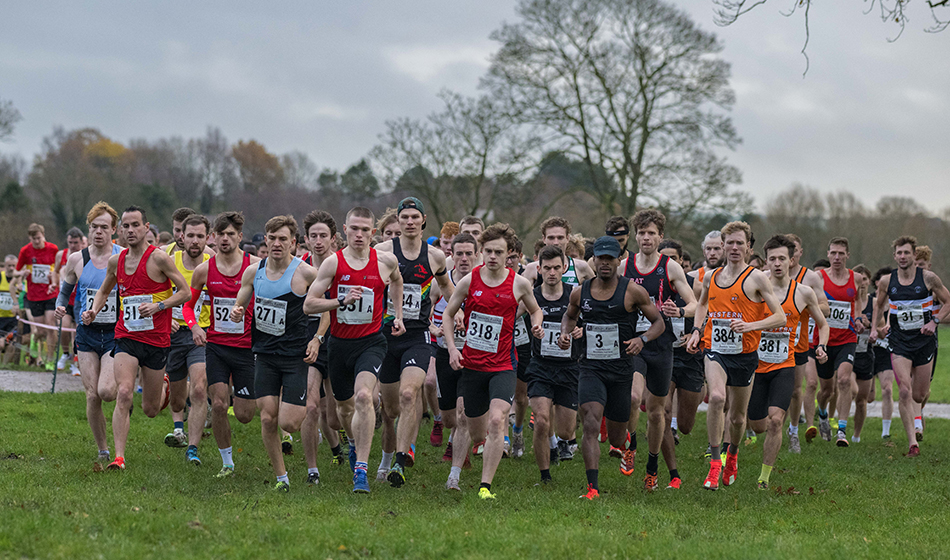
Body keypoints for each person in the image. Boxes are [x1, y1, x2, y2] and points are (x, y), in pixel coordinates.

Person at [84, 206, 192, 470]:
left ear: (146, 227)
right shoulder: (116, 261)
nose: (130, 230)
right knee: (123, 392)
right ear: (120, 230)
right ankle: (119, 457)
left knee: (151, 409)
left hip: (156, 340)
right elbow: (103, 291)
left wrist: (159, 306)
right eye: (126, 226)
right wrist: (94, 310)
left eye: (135, 225)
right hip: (126, 336)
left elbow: (185, 292)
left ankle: (164, 385)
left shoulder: (159, 259)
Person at [303, 207, 403, 494]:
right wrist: (340, 301)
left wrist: (397, 314)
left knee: (363, 397)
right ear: (345, 230)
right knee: (343, 410)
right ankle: (353, 443)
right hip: (339, 344)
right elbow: (309, 304)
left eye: (365, 230)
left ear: (373, 233)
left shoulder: (385, 261)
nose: (359, 235)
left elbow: (397, 280)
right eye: (354, 229)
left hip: (371, 343)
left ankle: (361, 469)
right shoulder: (333, 263)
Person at [442, 223, 544, 499]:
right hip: (473, 365)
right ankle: (460, 468)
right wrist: (452, 349)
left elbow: (536, 310)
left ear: (509, 253)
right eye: (488, 251)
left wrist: (536, 324)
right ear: (481, 252)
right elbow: (448, 315)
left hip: (503, 365)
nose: (493, 256)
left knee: (498, 420)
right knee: (475, 430)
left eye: (499, 252)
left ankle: (485, 486)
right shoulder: (469, 281)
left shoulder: (518, 283)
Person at [559, 236, 664, 500]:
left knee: (616, 439)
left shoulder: (633, 291)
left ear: (619, 260)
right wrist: (564, 333)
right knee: (591, 422)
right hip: (590, 368)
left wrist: (642, 339)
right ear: (593, 260)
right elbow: (569, 316)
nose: (604, 263)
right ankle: (592, 488)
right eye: (600, 258)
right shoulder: (580, 292)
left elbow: (658, 323)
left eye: (610, 258)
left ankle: (626, 442)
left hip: (620, 370)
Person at [686, 221, 785, 490]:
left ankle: (732, 454)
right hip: (715, 349)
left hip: (745, 354)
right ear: (722, 245)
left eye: (740, 243)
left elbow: (779, 316)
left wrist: (750, 326)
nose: (734, 247)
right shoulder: (711, 277)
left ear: (748, 247)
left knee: (739, 418)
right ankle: (714, 462)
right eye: (729, 242)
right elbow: (702, 304)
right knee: (717, 397)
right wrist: (696, 330)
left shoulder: (757, 278)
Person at [230, 215, 318, 491]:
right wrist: (236, 311)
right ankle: (282, 478)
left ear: (293, 242)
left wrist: (317, 339)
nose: (277, 243)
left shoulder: (306, 272)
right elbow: (240, 302)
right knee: (267, 418)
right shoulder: (253, 271)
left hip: (294, 357)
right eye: (272, 238)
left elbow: (325, 307)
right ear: (265, 240)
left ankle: (302, 416)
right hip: (265, 354)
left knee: (289, 423)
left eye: (283, 239)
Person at [375, 197, 454, 488]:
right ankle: (385, 458)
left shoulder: (435, 256)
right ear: (398, 220)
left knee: (409, 395)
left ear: (423, 221)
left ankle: (399, 461)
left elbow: (446, 286)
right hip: (385, 335)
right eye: (404, 217)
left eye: (414, 217)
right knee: (390, 410)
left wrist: (458, 310)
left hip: (418, 335)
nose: (409, 222)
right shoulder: (382, 252)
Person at [618, 209, 696, 490]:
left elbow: (694, 304)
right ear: (635, 236)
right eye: (642, 233)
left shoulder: (670, 267)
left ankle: (652, 465)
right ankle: (631, 446)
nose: (646, 238)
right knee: (632, 396)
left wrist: (680, 311)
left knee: (656, 412)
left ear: (660, 237)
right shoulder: (624, 266)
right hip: (634, 343)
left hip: (662, 346)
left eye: (651, 233)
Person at [183, 211, 259, 479]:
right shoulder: (204, 270)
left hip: (247, 347)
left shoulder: (255, 266)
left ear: (240, 237)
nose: (225, 239)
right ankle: (227, 463)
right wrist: (194, 327)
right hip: (216, 346)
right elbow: (188, 307)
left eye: (230, 234)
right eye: (221, 234)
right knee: (217, 404)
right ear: (213, 238)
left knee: (245, 414)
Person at [749, 235, 828, 489]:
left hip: (784, 365)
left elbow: (823, 324)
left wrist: (822, 345)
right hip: (755, 366)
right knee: (757, 425)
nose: (777, 263)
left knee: (775, 420)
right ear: (766, 261)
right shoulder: (754, 288)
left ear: (791, 260)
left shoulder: (803, 292)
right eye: (772, 259)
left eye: (782, 258)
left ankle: (764, 478)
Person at [55, 202, 122, 463]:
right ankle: (103, 449)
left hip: (115, 333)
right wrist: (61, 306)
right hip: (86, 333)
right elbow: (64, 292)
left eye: (104, 227)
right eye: (94, 227)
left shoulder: (122, 257)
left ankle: (124, 400)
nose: (98, 232)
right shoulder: (76, 259)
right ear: (89, 229)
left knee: (107, 392)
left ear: (113, 230)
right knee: (92, 395)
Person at [871, 236, 950, 457]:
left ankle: (918, 415)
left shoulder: (928, 278)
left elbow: (948, 301)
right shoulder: (887, 281)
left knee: (919, 394)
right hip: (899, 342)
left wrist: (934, 322)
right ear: (894, 256)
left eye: (906, 252)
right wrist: (875, 328)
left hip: (924, 342)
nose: (903, 256)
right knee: (904, 391)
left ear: (914, 255)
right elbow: (878, 305)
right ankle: (912, 443)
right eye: (899, 253)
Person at [525, 245, 584, 484]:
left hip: (569, 367)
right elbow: (510, 318)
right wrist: (533, 329)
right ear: (539, 269)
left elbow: (591, 322)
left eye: (556, 268)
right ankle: (545, 475)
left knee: (566, 431)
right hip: (540, 366)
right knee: (541, 420)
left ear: (564, 268)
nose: (551, 273)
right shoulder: (531, 296)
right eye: (547, 268)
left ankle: (558, 444)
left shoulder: (575, 295)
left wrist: (581, 331)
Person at [163, 214, 213, 464]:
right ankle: (178, 426)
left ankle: (192, 448)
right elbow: (154, 294)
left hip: (200, 334)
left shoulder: (213, 264)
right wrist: (164, 317)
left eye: (200, 236)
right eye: (190, 235)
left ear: (207, 238)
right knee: (176, 397)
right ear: (181, 236)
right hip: (172, 333)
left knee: (199, 388)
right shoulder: (168, 262)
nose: (194, 240)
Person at [430, 233, 477, 488]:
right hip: (444, 354)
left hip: (472, 358)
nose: (464, 258)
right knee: (449, 419)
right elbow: (426, 315)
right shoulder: (439, 283)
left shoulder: (482, 284)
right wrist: (435, 329)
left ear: (477, 255)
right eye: (459, 253)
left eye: (469, 253)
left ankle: (454, 475)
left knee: (463, 415)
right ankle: (454, 439)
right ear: (452, 255)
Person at [298, 210, 341, 483]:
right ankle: (313, 470)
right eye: (313, 236)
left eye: (323, 235)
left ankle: (343, 446)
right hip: (308, 341)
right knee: (311, 407)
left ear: (333, 238)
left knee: (334, 415)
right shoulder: (299, 267)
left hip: (339, 339)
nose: (318, 241)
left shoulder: (344, 264)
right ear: (305, 239)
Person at [657, 239, 702, 489]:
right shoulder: (653, 285)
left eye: (673, 258)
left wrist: (696, 333)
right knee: (663, 413)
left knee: (685, 426)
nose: (668, 263)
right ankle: (673, 473)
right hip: (664, 356)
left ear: (682, 261)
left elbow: (709, 314)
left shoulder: (695, 286)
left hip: (690, 357)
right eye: (663, 258)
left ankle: (679, 430)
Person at [811, 237, 863, 446]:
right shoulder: (818, 277)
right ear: (828, 254)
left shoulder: (856, 278)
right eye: (833, 253)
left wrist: (858, 319)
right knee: (826, 390)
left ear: (848, 255)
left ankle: (841, 430)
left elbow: (858, 301)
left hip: (847, 338)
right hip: (823, 340)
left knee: (844, 380)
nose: (837, 257)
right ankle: (822, 412)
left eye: (841, 253)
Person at [781, 234, 830, 452]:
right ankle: (770, 426)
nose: (790, 254)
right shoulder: (767, 275)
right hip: (771, 342)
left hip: (798, 342)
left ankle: (792, 431)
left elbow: (825, 308)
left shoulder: (810, 278)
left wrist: (805, 305)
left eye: (794, 249)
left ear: (800, 252)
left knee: (795, 390)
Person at [15, 223, 60, 370]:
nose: (37, 241)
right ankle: (35, 340)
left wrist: (53, 275)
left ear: (43, 235)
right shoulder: (25, 251)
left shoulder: (53, 249)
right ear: (30, 238)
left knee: (51, 327)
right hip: (34, 296)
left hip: (50, 293)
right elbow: (16, 271)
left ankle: (50, 361)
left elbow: (59, 270)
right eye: (34, 239)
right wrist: (22, 273)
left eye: (39, 238)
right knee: (40, 331)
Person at [53, 227, 83, 373]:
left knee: (77, 333)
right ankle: (65, 354)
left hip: (80, 299)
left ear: (81, 242)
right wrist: (54, 283)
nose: (72, 245)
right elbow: (55, 271)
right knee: (64, 328)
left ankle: (75, 363)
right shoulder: (61, 255)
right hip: (65, 299)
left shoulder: (85, 255)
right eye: (70, 242)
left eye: (75, 242)